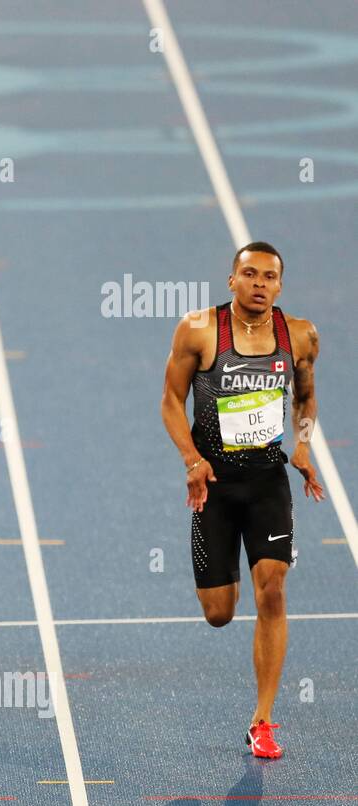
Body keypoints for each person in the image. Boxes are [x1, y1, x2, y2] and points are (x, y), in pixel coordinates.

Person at [161, 241, 323, 759]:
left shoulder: (299, 335)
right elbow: (169, 400)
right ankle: (218, 591)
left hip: (267, 479)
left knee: (272, 588)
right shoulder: (199, 331)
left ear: (279, 285)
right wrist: (192, 459)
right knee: (219, 612)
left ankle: (263, 721)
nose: (259, 284)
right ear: (231, 280)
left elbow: (305, 395)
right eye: (249, 274)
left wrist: (301, 443)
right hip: (214, 483)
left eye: (269, 277)